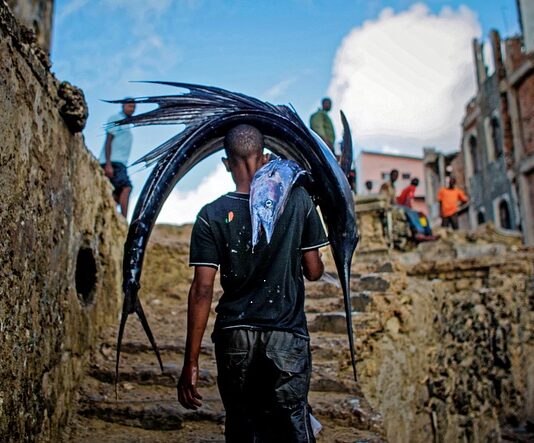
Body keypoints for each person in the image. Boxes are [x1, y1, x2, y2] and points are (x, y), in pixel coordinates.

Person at [177, 124, 328, 442]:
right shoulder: (299, 201)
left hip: (234, 339)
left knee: (243, 426)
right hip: (286, 336)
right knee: (294, 426)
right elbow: (314, 271)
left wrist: (190, 363)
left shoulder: (211, 214)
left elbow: (202, 290)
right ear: (267, 158)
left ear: (226, 163)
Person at [99, 99, 136, 217]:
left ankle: (112, 217)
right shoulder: (116, 118)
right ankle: (123, 220)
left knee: (116, 192)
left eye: (134, 107)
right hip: (114, 162)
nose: (132, 109)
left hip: (120, 163)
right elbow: (108, 140)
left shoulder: (126, 124)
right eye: (130, 106)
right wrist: (108, 164)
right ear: (123, 106)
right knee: (126, 187)